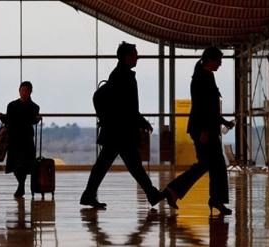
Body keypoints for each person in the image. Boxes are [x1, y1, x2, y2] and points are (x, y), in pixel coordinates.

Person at [80, 42, 162, 208]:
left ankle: (89, 195)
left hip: (115, 130)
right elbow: (128, 106)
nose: (137, 57)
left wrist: (140, 121)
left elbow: (125, 106)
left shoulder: (118, 75)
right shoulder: (123, 77)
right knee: (131, 165)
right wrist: (141, 121)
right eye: (135, 54)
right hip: (121, 131)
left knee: (110, 164)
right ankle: (151, 194)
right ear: (127, 57)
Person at [162, 46, 234, 215]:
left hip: (207, 129)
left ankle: (213, 199)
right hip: (203, 130)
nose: (220, 64)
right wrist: (204, 131)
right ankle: (174, 191)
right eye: (218, 61)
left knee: (213, 165)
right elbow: (202, 107)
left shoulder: (206, 75)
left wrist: (223, 122)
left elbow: (210, 108)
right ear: (209, 60)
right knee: (209, 164)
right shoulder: (201, 78)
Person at [0, 81, 41, 198]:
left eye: (27, 91)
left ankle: (21, 186)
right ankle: (21, 185)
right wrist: (2, 118)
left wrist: (37, 120)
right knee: (16, 165)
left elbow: (32, 121)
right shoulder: (11, 106)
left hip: (26, 139)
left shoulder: (34, 107)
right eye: (22, 90)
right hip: (14, 139)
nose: (24, 93)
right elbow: (9, 121)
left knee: (23, 165)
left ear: (30, 92)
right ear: (19, 91)